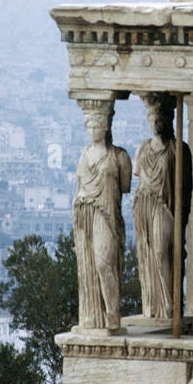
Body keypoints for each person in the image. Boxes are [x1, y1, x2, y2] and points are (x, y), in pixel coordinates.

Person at [73, 103, 132, 331]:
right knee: (87, 265)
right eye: (90, 125)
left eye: (98, 124)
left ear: (106, 126)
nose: (94, 129)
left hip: (106, 215)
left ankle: (113, 313)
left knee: (104, 262)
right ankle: (92, 317)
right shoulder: (84, 154)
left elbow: (125, 187)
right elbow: (80, 184)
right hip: (84, 212)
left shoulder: (119, 156)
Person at [132, 94, 191, 320]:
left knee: (162, 250)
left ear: (169, 120)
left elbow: (186, 187)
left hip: (166, 206)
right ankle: (154, 304)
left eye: (161, 119)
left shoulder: (179, 149)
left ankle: (171, 303)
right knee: (149, 253)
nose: (157, 124)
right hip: (145, 205)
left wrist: (182, 217)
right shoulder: (143, 149)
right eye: (153, 120)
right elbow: (138, 180)